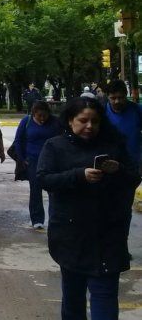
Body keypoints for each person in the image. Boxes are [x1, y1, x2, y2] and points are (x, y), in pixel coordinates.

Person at [38, 97, 140, 319]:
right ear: (70, 120)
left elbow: (134, 177)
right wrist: (78, 175)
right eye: (83, 120)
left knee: (105, 294)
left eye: (95, 121)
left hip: (108, 234)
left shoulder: (114, 144)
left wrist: (118, 169)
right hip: (71, 234)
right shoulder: (55, 146)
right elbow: (44, 179)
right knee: (73, 297)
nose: (89, 126)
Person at [13, 100, 61, 229]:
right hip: (33, 160)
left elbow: (62, 140)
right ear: (33, 113)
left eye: (45, 115)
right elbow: (18, 140)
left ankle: (54, 218)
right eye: (39, 116)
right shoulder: (26, 121)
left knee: (53, 190)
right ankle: (37, 219)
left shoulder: (56, 122)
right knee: (35, 190)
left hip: (52, 161)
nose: (42, 119)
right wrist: (22, 159)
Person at [104, 79, 142, 171]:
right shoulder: (102, 112)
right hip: (110, 163)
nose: (117, 101)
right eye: (113, 98)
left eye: (120, 97)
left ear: (126, 95)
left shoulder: (137, 110)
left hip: (134, 163)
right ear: (107, 97)